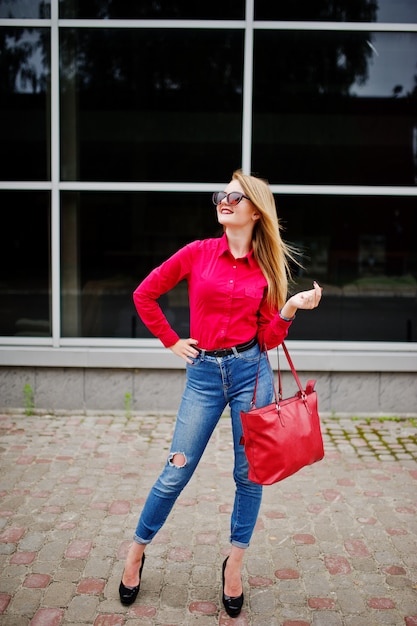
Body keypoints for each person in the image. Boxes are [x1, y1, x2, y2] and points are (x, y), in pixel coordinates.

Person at [119, 169, 322, 617]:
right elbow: (144, 294)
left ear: (255, 210)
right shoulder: (197, 253)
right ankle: (136, 551)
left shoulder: (265, 269)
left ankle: (234, 565)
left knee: (249, 475)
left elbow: (267, 340)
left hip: (252, 373)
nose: (223, 201)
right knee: (177, 469)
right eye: (221, 195)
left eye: (234, 196)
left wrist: (289, 308)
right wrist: (172, 340)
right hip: (204, 375)